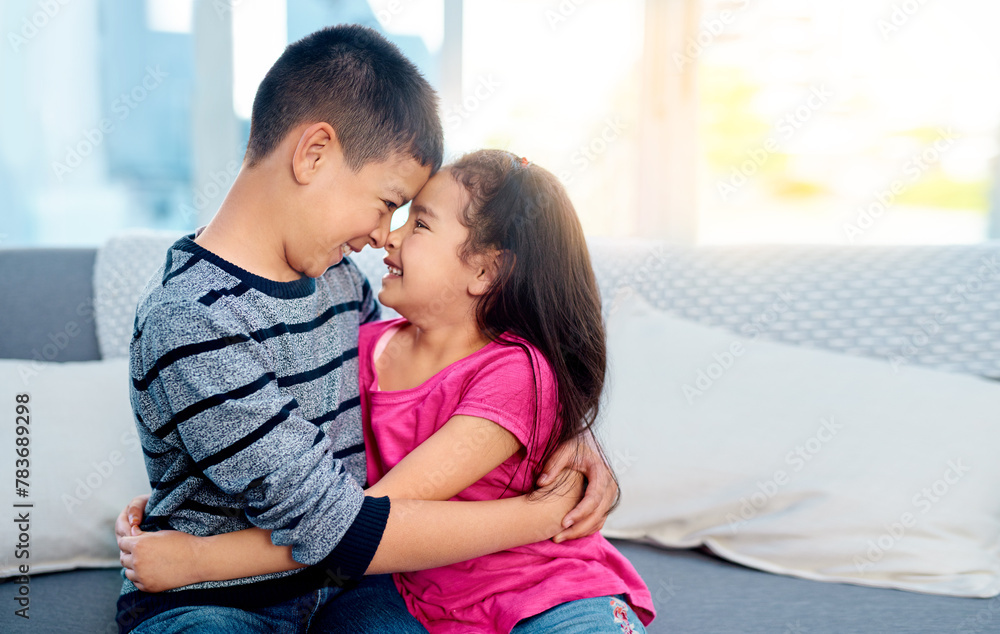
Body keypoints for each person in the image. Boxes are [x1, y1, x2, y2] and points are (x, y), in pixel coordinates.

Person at [115, 24, 616, 634]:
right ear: (314, 154)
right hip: (217, 599)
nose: (385, 236)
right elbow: (338, 525)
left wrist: (560, 430)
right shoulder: (192, 319)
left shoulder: (338, 281)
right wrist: (545, 510)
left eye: (407, 217)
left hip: (348, 592)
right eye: (385, 203)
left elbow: (429, 382)